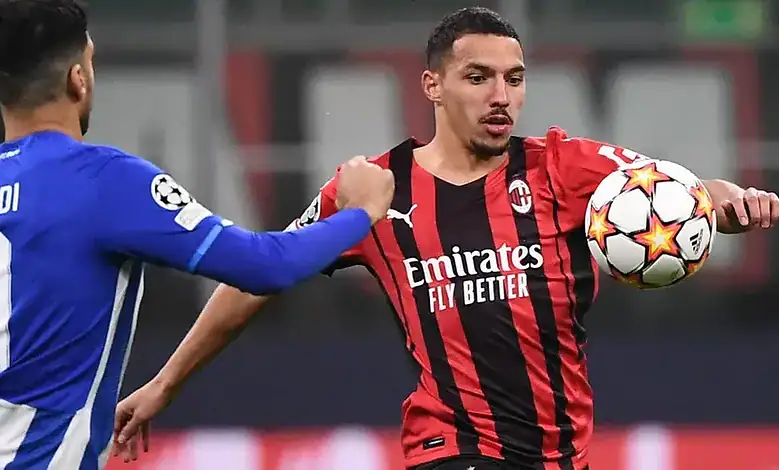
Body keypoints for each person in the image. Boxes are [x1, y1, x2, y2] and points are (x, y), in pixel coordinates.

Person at [113, 6, 779, 470]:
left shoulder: (559, 165)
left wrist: (726, 203)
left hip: (560, 452)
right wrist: (167, 382)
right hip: (450, 447)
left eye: (514, 78)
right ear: (433, 86)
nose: (501, 96)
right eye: (478, 77)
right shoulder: (374, 188)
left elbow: (671, 193)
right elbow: (259, 277)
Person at [0, 0, 394, 468]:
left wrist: (164, 383)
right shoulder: (102, 181)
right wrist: (360, 212)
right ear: (78, 79)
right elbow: (263, 265)